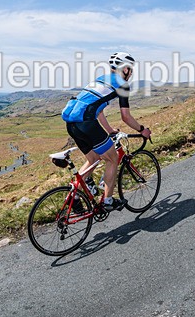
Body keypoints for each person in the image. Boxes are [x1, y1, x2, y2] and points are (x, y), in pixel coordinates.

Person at [61, 52, 151, 212]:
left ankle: (74, 196)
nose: (131, 72)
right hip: (87, 123)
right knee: (113, 159)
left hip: (72, 124)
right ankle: (108, 201)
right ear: (124, 69)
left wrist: (109, 130)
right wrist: (142, 130)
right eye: (130, 68)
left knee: (93, 158)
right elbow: (126, 116)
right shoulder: (122, 84)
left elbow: (98, 110)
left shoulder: (101, 79)